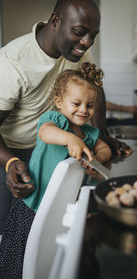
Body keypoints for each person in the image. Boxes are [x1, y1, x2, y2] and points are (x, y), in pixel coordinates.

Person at [0, 0, 133, 234]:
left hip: (56, 149)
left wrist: (101, 134)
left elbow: (96, 90)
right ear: (55, 21)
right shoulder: (11, 62)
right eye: (80, 32)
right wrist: (9, 162)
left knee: (51, 226)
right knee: (14, 229)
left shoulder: (76, 50)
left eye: (93, 36)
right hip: (13, 153)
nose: (87, 43)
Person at [0, 62, 112, 278]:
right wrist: (71, 139)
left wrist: (98, 158)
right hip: (31, 204)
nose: (83, 110)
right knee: (19, 254)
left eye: (90, 105)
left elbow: (105, 148)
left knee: (45, 255)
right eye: (77, 103)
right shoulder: (55, 121)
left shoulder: (89, 133)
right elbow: (45, 133)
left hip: (60, 208)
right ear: (59, 102)